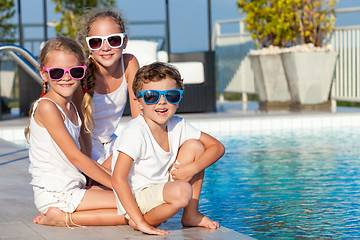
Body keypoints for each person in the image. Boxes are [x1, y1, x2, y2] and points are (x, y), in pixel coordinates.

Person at [111, 62, 225, 235]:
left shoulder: (178, 125)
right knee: (182, 191)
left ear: (178, 100)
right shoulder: (135, 132)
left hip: (162, 188)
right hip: (138, 198)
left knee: (196, 147)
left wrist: (193, 168)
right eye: (151, 96)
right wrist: (140, 222)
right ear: (138, 101)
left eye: (171, 95)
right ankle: (140, 221)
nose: (162, 102)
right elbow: (117, 179)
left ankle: (191, 214)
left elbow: (217, 147)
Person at [25, 36, 127, 227]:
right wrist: (117, 184)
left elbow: (83, 156)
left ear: (82, 71)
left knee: (132, 197)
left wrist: (110, 178)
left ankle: (64, 214)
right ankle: (61, 218)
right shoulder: (47, 107)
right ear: (44, 74)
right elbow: (76, 157)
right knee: (132, 206)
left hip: (73, 188)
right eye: (56, 72)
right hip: (56, 194)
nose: (66, 77)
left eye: (74, 71)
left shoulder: (71, 106)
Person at [76, 9, 141, 164]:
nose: (105, 48)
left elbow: (139, 119)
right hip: (84, 148)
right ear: (89, 46)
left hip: (113, 145)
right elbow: (78, 131)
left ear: (124, 42)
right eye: (97, 42)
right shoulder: (82, 73)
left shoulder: (129, 64)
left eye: (113, 40)